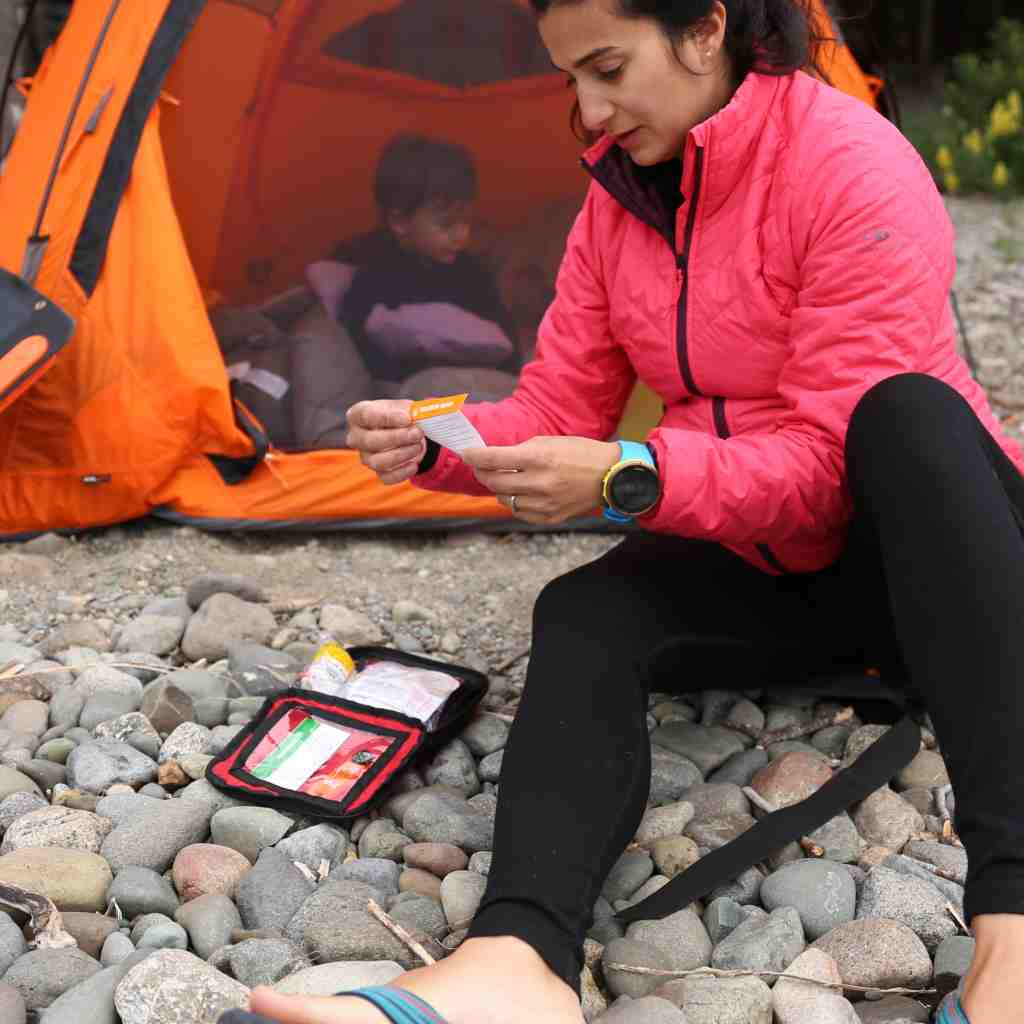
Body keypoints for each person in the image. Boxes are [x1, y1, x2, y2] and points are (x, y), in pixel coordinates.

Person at [252, 2, 1024, 1023]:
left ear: (706, 29)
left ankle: (1013, 929)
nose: (589, 107)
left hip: (939, 559)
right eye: (570, 77)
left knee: (907, 415)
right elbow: (556, 407)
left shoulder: (852, 165)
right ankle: (517, 963)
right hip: (784, 567)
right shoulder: (617, 204)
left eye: (607, 67)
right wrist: (442, 444)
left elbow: (834, 463)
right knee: (581, 613)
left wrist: (632, 475)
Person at [333, 134, 520, 385]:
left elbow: (506, 344)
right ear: (400, 221)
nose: (462, 235)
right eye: (447, 224)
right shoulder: (374, 271)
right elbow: (359, 340)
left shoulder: (472, 274)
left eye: (467, 222)